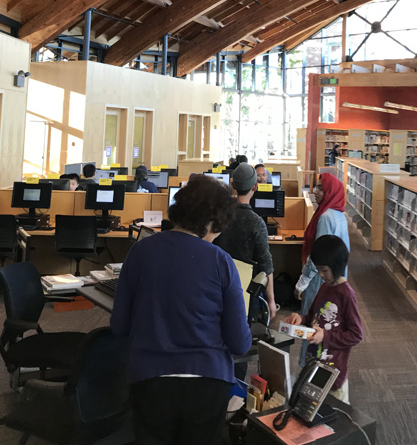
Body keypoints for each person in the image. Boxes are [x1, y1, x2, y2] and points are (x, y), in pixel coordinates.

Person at [110, 175, 251, 445]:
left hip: (149, 380)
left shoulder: (140, 251)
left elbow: (119, 326)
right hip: (207, 382)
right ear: (211, 222)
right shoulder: (222, 262)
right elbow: (239, 343)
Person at [284, 235, 362, 404]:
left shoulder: (346, 294)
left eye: (324, 270)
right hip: (314, 365)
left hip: (333, 373)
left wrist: (325, 336)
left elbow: (356, 334)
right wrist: (301, 318)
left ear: (336, 266)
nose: (320, 274)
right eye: (318, 269)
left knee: (336, 419)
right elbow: (313, 317)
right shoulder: (324, 287)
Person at [296, 173, 350, 362]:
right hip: (336, 278)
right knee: (329, 324)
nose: (315, 192)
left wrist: (302, 282)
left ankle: (307, 366)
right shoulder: (339, 215)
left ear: (329, 191)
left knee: (312, 323)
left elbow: (318, 256)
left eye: (320, 188)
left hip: (320, 280)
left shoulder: (325, 217)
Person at [215, 163, 276, 319]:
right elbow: (265, 265)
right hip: (246, 295)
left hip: (218, 288)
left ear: (233, 185)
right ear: (255, 186)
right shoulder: (257, 222)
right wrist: (271, 301)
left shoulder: (220, 217)